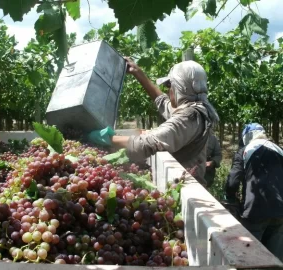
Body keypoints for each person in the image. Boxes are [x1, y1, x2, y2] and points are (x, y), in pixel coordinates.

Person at [88, 58, 219, 185]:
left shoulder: (190, 116)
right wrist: (137, 72)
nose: (168, 90)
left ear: (180, 87)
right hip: (183, 182)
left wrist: (108, 138)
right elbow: (163, 102)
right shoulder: (195, 109)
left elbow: (146, 144)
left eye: (169, 85)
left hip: (186, 186)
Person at [225, 123, 283, 261]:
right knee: (275, 260)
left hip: (255, 211)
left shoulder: (245, 151)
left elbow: (233, 181)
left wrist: (231, 199)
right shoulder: (279, 150)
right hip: (280, 212)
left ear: (247, 137)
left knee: (250, 258)